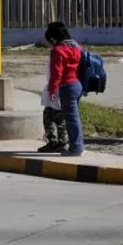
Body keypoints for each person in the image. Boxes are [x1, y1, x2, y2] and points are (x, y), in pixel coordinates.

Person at [45, 21, 84, 156]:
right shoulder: (76, 46)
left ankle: (76, 148)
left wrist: (52, 91)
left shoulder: (58, 50)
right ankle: (78, 146)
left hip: (67, 86)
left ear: (53, 38)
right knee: (75, 118)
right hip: (78, 85)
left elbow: (56, 73)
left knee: (71, 119)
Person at [38, 57, 67, 152]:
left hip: (57, 88)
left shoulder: (59, 52)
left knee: (59, 117)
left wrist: (53, 89)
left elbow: (57, 73)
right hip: (52, 87)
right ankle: (52, 142)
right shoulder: (56, 51)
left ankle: (63, 143)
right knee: (48, 115)